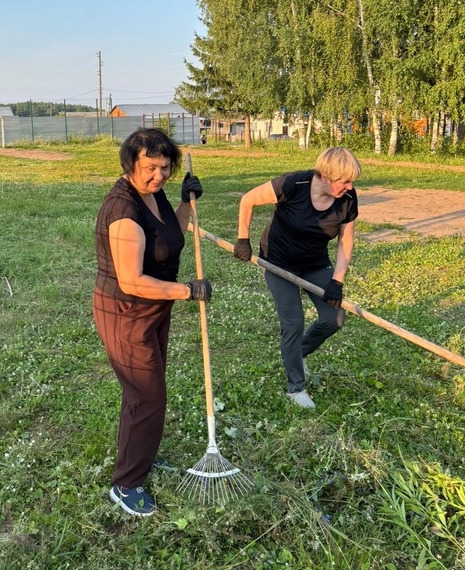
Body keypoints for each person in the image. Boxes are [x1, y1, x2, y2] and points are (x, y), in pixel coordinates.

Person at [93, 128, 212, 517]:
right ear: (130, 164)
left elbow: (169, 237)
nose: (159, 175)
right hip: (125, 312)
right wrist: (187, 291)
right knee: (147, 396)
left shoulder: (153, 193)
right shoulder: (124, 211)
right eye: (150, 168)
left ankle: (139, 453)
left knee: (144, 392)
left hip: (153, 308)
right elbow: (131, 280)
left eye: (165, 168)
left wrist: (184, 203)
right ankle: (126, 484)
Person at [233, 147, 362, 409]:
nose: (350, 187)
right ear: (325, 176)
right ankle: (295, 389)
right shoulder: (292, 184)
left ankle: (298, 352)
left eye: (352, 182)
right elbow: (247, 200)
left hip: (315, 264)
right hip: (278, 263)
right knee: (293, 323)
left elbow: (345, 241)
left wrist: (337, 280)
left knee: (334, 319)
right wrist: (243, 239)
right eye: (344, 181)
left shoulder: (348, 198)